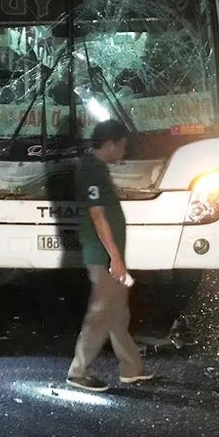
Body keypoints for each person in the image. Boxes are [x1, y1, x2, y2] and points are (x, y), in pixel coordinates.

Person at [66, 119, 153, 393]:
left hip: (109, 255)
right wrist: (115, 257)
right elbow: (98, 216)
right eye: (122, 146)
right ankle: (78, 372)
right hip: (102, 256)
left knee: (117, 314)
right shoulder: (92, 169)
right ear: (110, 143)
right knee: (100, 313)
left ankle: (131, 369)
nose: (124, 152)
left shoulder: (97, 168)